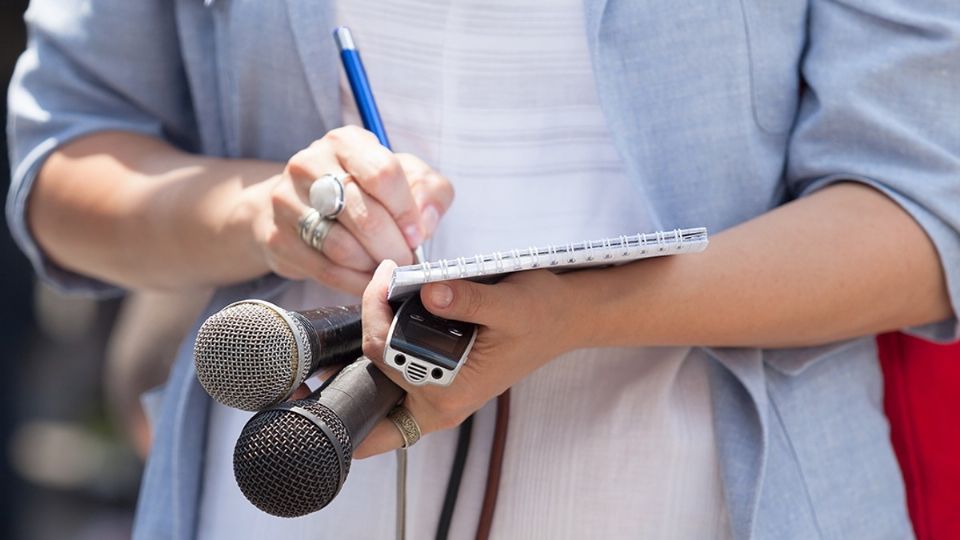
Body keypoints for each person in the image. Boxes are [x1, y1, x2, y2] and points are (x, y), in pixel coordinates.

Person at [6, 0, 959, 538]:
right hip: (285, 500)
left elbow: (925, 217)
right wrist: (261, 215)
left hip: (709, 504)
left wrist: (581, 315)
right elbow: (60, 165)